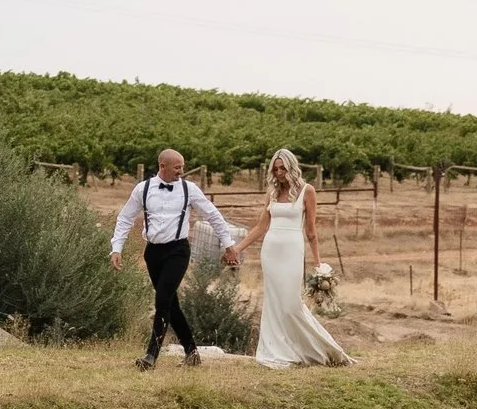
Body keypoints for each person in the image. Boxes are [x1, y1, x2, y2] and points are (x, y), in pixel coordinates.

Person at [109, 149, 241, 369]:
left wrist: (228, 246)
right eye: (177, 167)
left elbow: (213, 215)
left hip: (178, 251)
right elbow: (125, 217)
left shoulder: (190, 190)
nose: (181, 171)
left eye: (182, 166)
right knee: (171, 304)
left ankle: (151, 356)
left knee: (162, 301)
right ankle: (192, 352)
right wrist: (117, 248)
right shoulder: (143, 189)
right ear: (163, 166)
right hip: (153, 252)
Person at [236, 147, 351, 368]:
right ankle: (277, 350)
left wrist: (318, 264)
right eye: (276, 169)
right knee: (274, 304)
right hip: (270, 251)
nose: (279, 173)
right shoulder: (271, 193)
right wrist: (238, 248)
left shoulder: (307, 191)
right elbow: (261, 226)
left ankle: (323, 349)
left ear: (292, 167)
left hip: (292, 250)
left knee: (290, 304)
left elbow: (311, 231)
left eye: (283, 168)